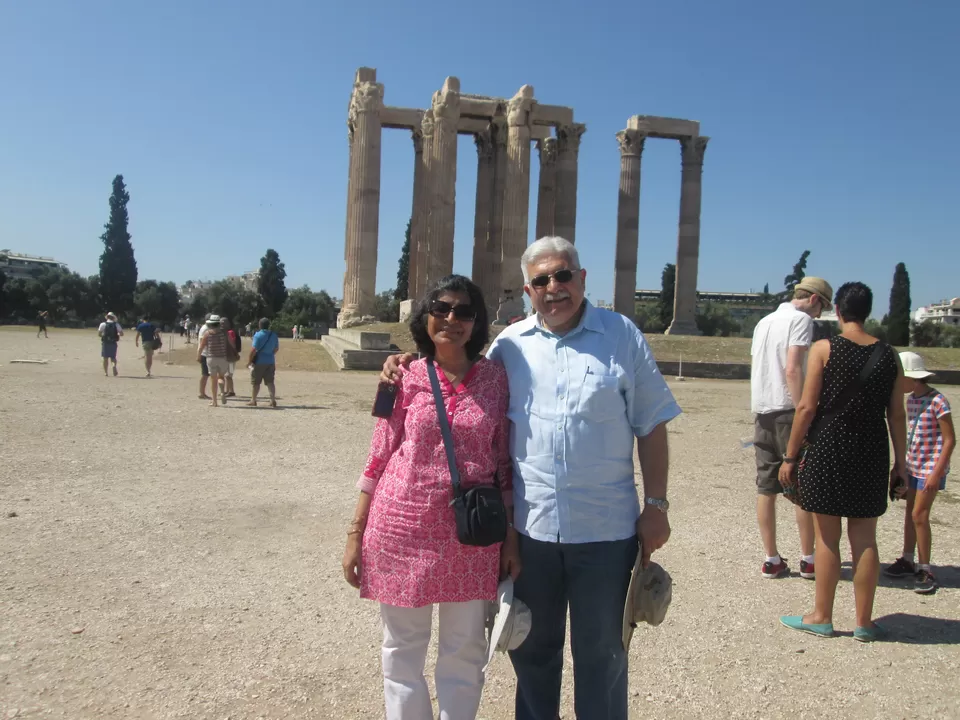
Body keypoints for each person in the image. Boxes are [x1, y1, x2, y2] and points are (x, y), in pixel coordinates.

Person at [382, 237, 680, 720]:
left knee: (604, 658)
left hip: (607, 532)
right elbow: (456, 375)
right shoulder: (509, 346)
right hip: (532, 533)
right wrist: (401, 362)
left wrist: (658, 505)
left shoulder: (621, 335)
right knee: (532, 657)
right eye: (541, 280)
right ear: (527, 290)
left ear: (582, 278)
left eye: (563, 275)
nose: (554, 287)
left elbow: (652, 423)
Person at [343, 274, 517, 720]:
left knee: (465, 651)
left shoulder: (496, 379)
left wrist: (511, 538)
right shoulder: (401, 375)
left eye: (464, 312)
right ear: (426, 317)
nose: (451, 319)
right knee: (402, 648)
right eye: (441, 308)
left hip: (470, 533)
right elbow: (377, 456)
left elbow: (503, 465)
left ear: (476, 323)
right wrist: (354, 532)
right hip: (400, 528)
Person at [778, 282, 905, 643]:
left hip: (829, 448)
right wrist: (901, 463)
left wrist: (790, 454)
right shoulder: (889, 355)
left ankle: (822, 616)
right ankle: (865, 622)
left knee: (827, 538)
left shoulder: (824, 349)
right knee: (865, 539)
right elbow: (896, 415)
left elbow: (806, 407)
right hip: (872, 450)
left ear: (837, 308)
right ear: (867, 310)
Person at [750, 277, 833, 580]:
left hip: (761, 409)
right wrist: (803, 411)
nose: (818, 316)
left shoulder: (764, 321)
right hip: (787, 409)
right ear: (814, 300)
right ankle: (808, 559)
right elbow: (793, 367)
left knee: (766, 487)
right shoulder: (800, 320)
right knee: (802, 486)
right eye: (821, 308)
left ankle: (771, 558)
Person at [883, 352, 955, 594]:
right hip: (914, 465)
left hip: (930, 468)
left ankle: (926, 569)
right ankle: (907, 558)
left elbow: (949, 440)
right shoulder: (912, 399)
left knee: (920, 515)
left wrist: (936, 473)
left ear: (911, 378)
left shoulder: (938, 401)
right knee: (910, 515)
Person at [197, 315, 230, 407]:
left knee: (213, 379)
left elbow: (201, 346)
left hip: (211, 358)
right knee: (221, 377)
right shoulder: (224, 333)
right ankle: (222, 391)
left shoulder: (207, 334)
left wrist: (198, 356)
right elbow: (230, 343)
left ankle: (214, 401)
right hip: (223, 358)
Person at [247, 318, 280, 408]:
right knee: (270, 382)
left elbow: (253, 349)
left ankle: (253, 400)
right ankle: (272, 399)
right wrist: (270, 354)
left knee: (256, 382)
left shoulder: (258, 335)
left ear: (260, 325)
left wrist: (249, 361)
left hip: (259, 362)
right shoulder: (273, 335)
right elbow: (276, 348)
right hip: (270, 361)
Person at [221, 317, 242, 397]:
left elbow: (232, 344)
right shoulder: (225, 332)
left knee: (228, 375)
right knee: (226, 375)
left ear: (228, 324)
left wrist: (236, 354)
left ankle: (231, 391)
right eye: (221, 323)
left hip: (231, 358)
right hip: (227, 357)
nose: (221, 324)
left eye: (223, 323)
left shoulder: (230, 332)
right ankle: (227, 390)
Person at [98, 312, 123, 376]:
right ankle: (114, 365)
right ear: (113, 317)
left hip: (105, 343)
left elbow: (99, 334)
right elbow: (121, 334)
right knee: (113, 357)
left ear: (107, 317)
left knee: (105, 358)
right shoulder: (116, 324)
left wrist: (104, 336)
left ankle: (106, 372)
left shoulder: (103, 324)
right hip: (113, 342)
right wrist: (117, 334)